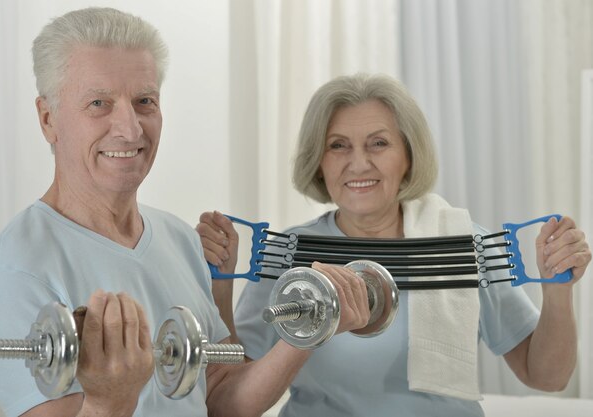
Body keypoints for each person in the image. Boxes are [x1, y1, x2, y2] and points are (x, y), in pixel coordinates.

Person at [0, 8, 373, 417]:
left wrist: (309, 330)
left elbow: (219, 397)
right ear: (48, 118)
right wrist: (110, 402)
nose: (129, 129)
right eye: (98, 103)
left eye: (144, 101)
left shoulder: (178, 238)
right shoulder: (17, 271)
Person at [198, 73, 592, 417]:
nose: (358, 163)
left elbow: (547, 377)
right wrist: (219, 283)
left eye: (378, 143)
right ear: (319, 160)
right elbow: (231, 401)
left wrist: (558, 292)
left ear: (408, 155)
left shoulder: (463, 244)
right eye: (338, 145)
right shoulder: (287, 253)